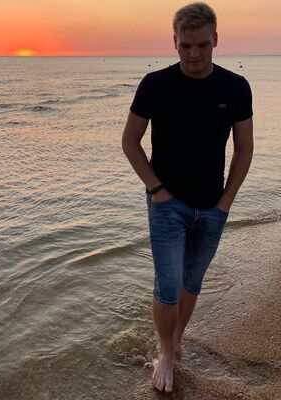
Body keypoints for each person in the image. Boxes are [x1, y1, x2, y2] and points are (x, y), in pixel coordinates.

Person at [122, 2, 253, 393]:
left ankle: (177, 340)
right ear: (174, 42)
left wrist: (226, 202)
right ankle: (165, 352)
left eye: (202, 45)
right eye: (186, 46)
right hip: (168, 204)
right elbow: (130, 142)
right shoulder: (155, 84)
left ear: (215, 40)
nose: (194, 54)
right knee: (168, 284)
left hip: (213, 205)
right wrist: (157, 190)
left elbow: (244, 148)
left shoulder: (235, 87)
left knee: (191, 282)